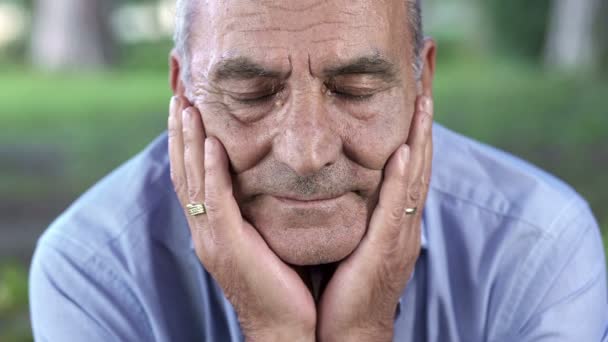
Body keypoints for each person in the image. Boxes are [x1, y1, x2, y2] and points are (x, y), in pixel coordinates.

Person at [29, 0, 607, 341]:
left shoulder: (535, 246)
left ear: (422, 82)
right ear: (183, 92)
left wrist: (363, 332)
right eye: (253, 94)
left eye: (355, 90)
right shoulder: (95, 269)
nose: (306, 153)